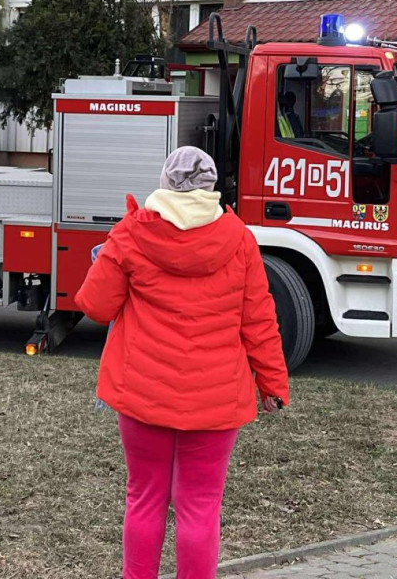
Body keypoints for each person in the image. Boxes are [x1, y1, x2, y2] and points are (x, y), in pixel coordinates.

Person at [75, 146, 289, 579]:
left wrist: (112, 251)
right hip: (215, 399)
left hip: (142, 392)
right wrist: (272, 384)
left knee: (145, 498)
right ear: (211, 187)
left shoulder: (133, 233)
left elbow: (96, 306)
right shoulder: (240, 238)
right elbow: (259, 319)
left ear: (165, 183)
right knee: (200, 507)